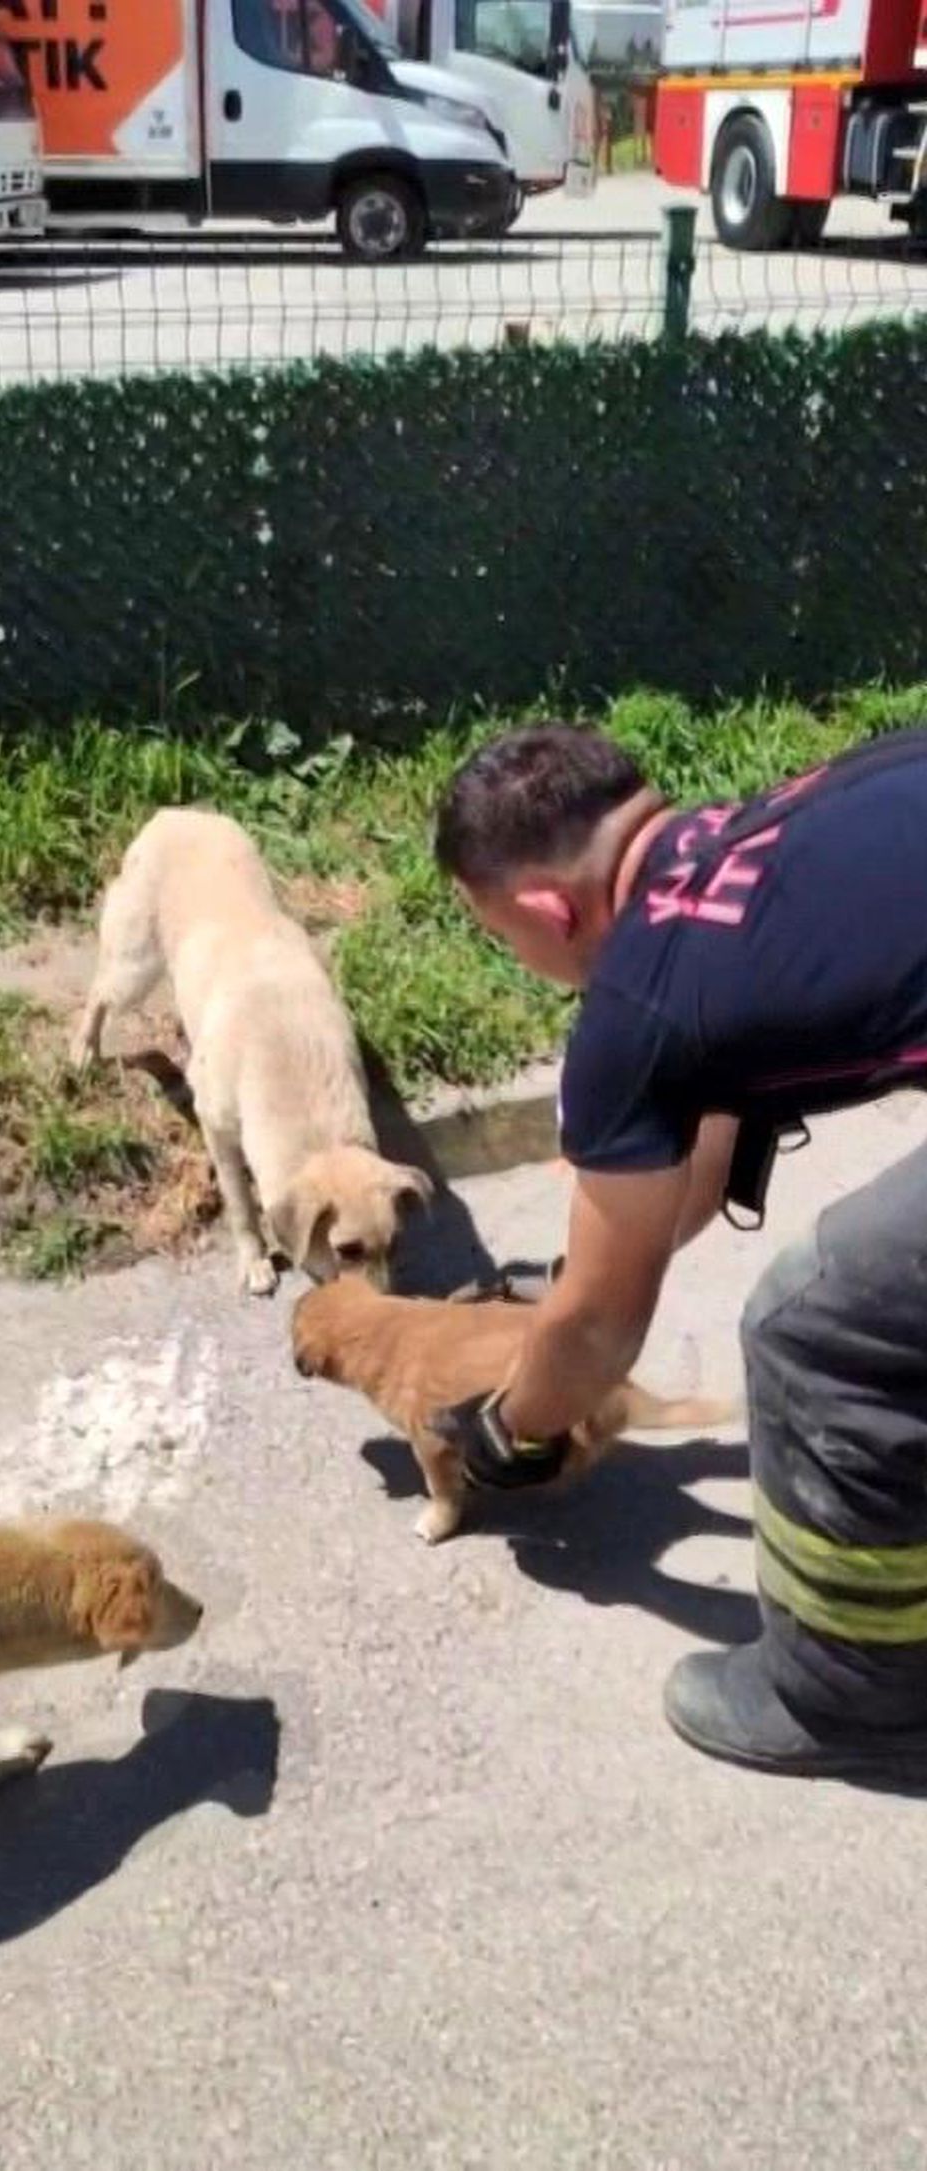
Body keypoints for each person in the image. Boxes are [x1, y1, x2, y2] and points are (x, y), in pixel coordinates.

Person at [433, 720, 927, 1781]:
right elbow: (680, 1175)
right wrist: (571, 1286)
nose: (517, 958)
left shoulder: (637, 1006)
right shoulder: (787, 819)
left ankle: (849, 1699)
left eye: (499, 937)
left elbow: (608, 1327)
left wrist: (508, 1427)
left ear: (544, 909)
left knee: (820, 1329)